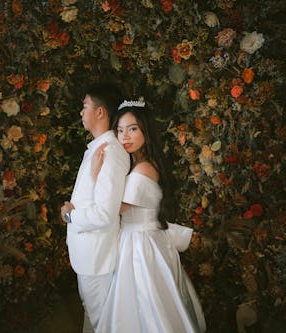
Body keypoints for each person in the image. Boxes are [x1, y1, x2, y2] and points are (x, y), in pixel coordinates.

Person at [93, 99, 206, 333]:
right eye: (120, 130)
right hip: (143, 240)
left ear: (146, 130)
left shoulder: (143, 169)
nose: (125, 137)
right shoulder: (141, 164)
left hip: (140, 247)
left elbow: (113, 208)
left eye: (132, 129)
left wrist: (96, 175)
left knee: (145, 305)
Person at [60, 82, 130, 333]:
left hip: (97, 257)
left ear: (100, 112)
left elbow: (104, 213)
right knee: (93, 315)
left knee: (104, 320)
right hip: (89, 253)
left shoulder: (111, 152)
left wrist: (70, 215)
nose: (81, 112)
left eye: (85, 106)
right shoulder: (98, 149)